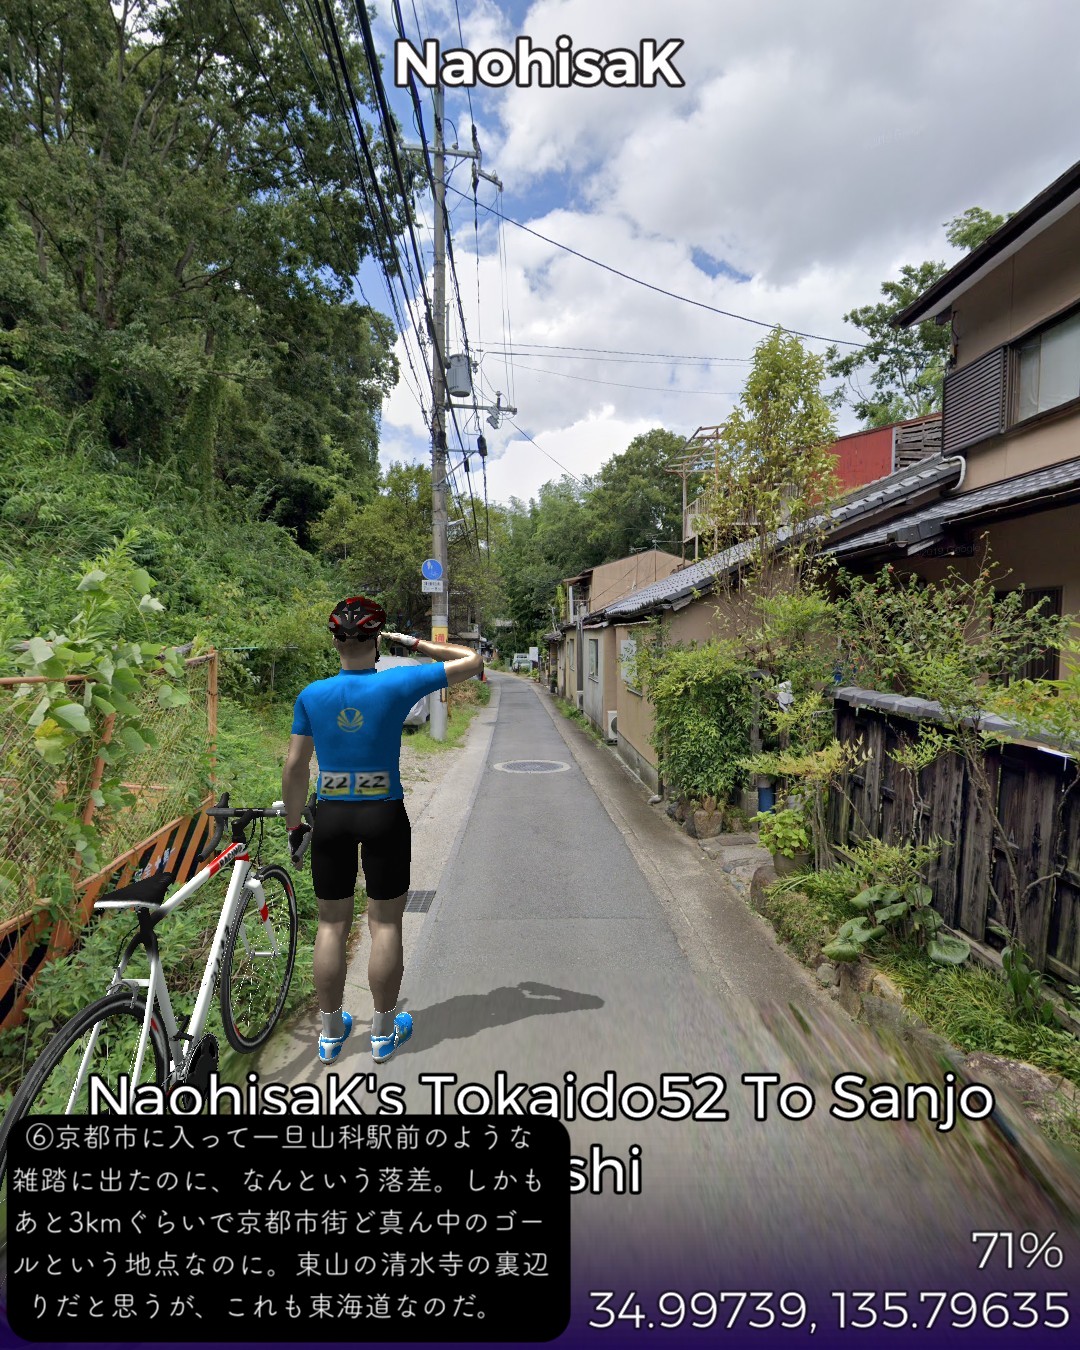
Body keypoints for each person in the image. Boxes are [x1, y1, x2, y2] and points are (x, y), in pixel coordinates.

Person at [281, 597, 483, 1065]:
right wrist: (412, 642)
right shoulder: (398, 681)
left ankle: (331, 1035)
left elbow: (295, 766)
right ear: (376, 642)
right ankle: (383, 1033)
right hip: (383, 814)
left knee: (332, 924)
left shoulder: (312, 695)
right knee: (385, 923)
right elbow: (472, 662)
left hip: (329, 815)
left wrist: (296, 824)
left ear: (334, 641)